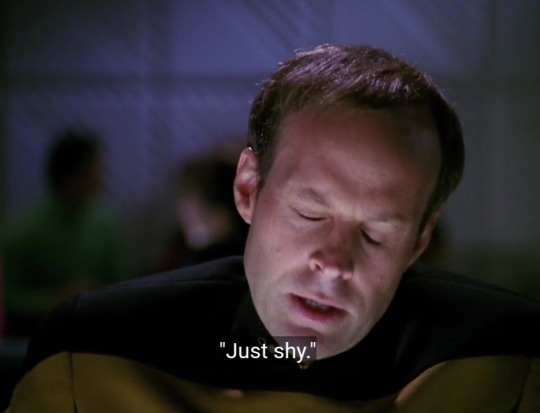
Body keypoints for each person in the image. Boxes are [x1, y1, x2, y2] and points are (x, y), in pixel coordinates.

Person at [7, 45, 540, 412]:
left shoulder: (508, 363)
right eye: (309, 213)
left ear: (420, 240)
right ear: (247, 189)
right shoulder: (93, 353)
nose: (333, 263)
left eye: (377, 234)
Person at [1, 130, 129, 338]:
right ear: (73, 176)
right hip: (36, 335)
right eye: (96, 169)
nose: (103, 178)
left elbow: (123, 287)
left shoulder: (105, 226)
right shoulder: (24, 231)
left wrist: (95, 296)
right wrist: (51, 300)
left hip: (95, 332)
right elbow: (7, 296)